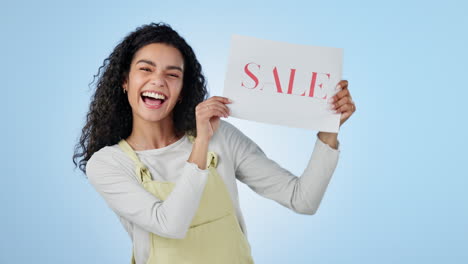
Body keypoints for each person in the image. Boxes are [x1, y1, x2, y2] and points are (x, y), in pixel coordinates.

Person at [73, 22, 356, 264]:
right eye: (146, 69)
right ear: (125, 80)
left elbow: (302, 200)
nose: (158, 81)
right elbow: (170, 224)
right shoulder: (108, 163)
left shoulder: (222, 137)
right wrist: (201, 143)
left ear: (183, 91)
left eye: (172, 74)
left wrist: (328, 130)